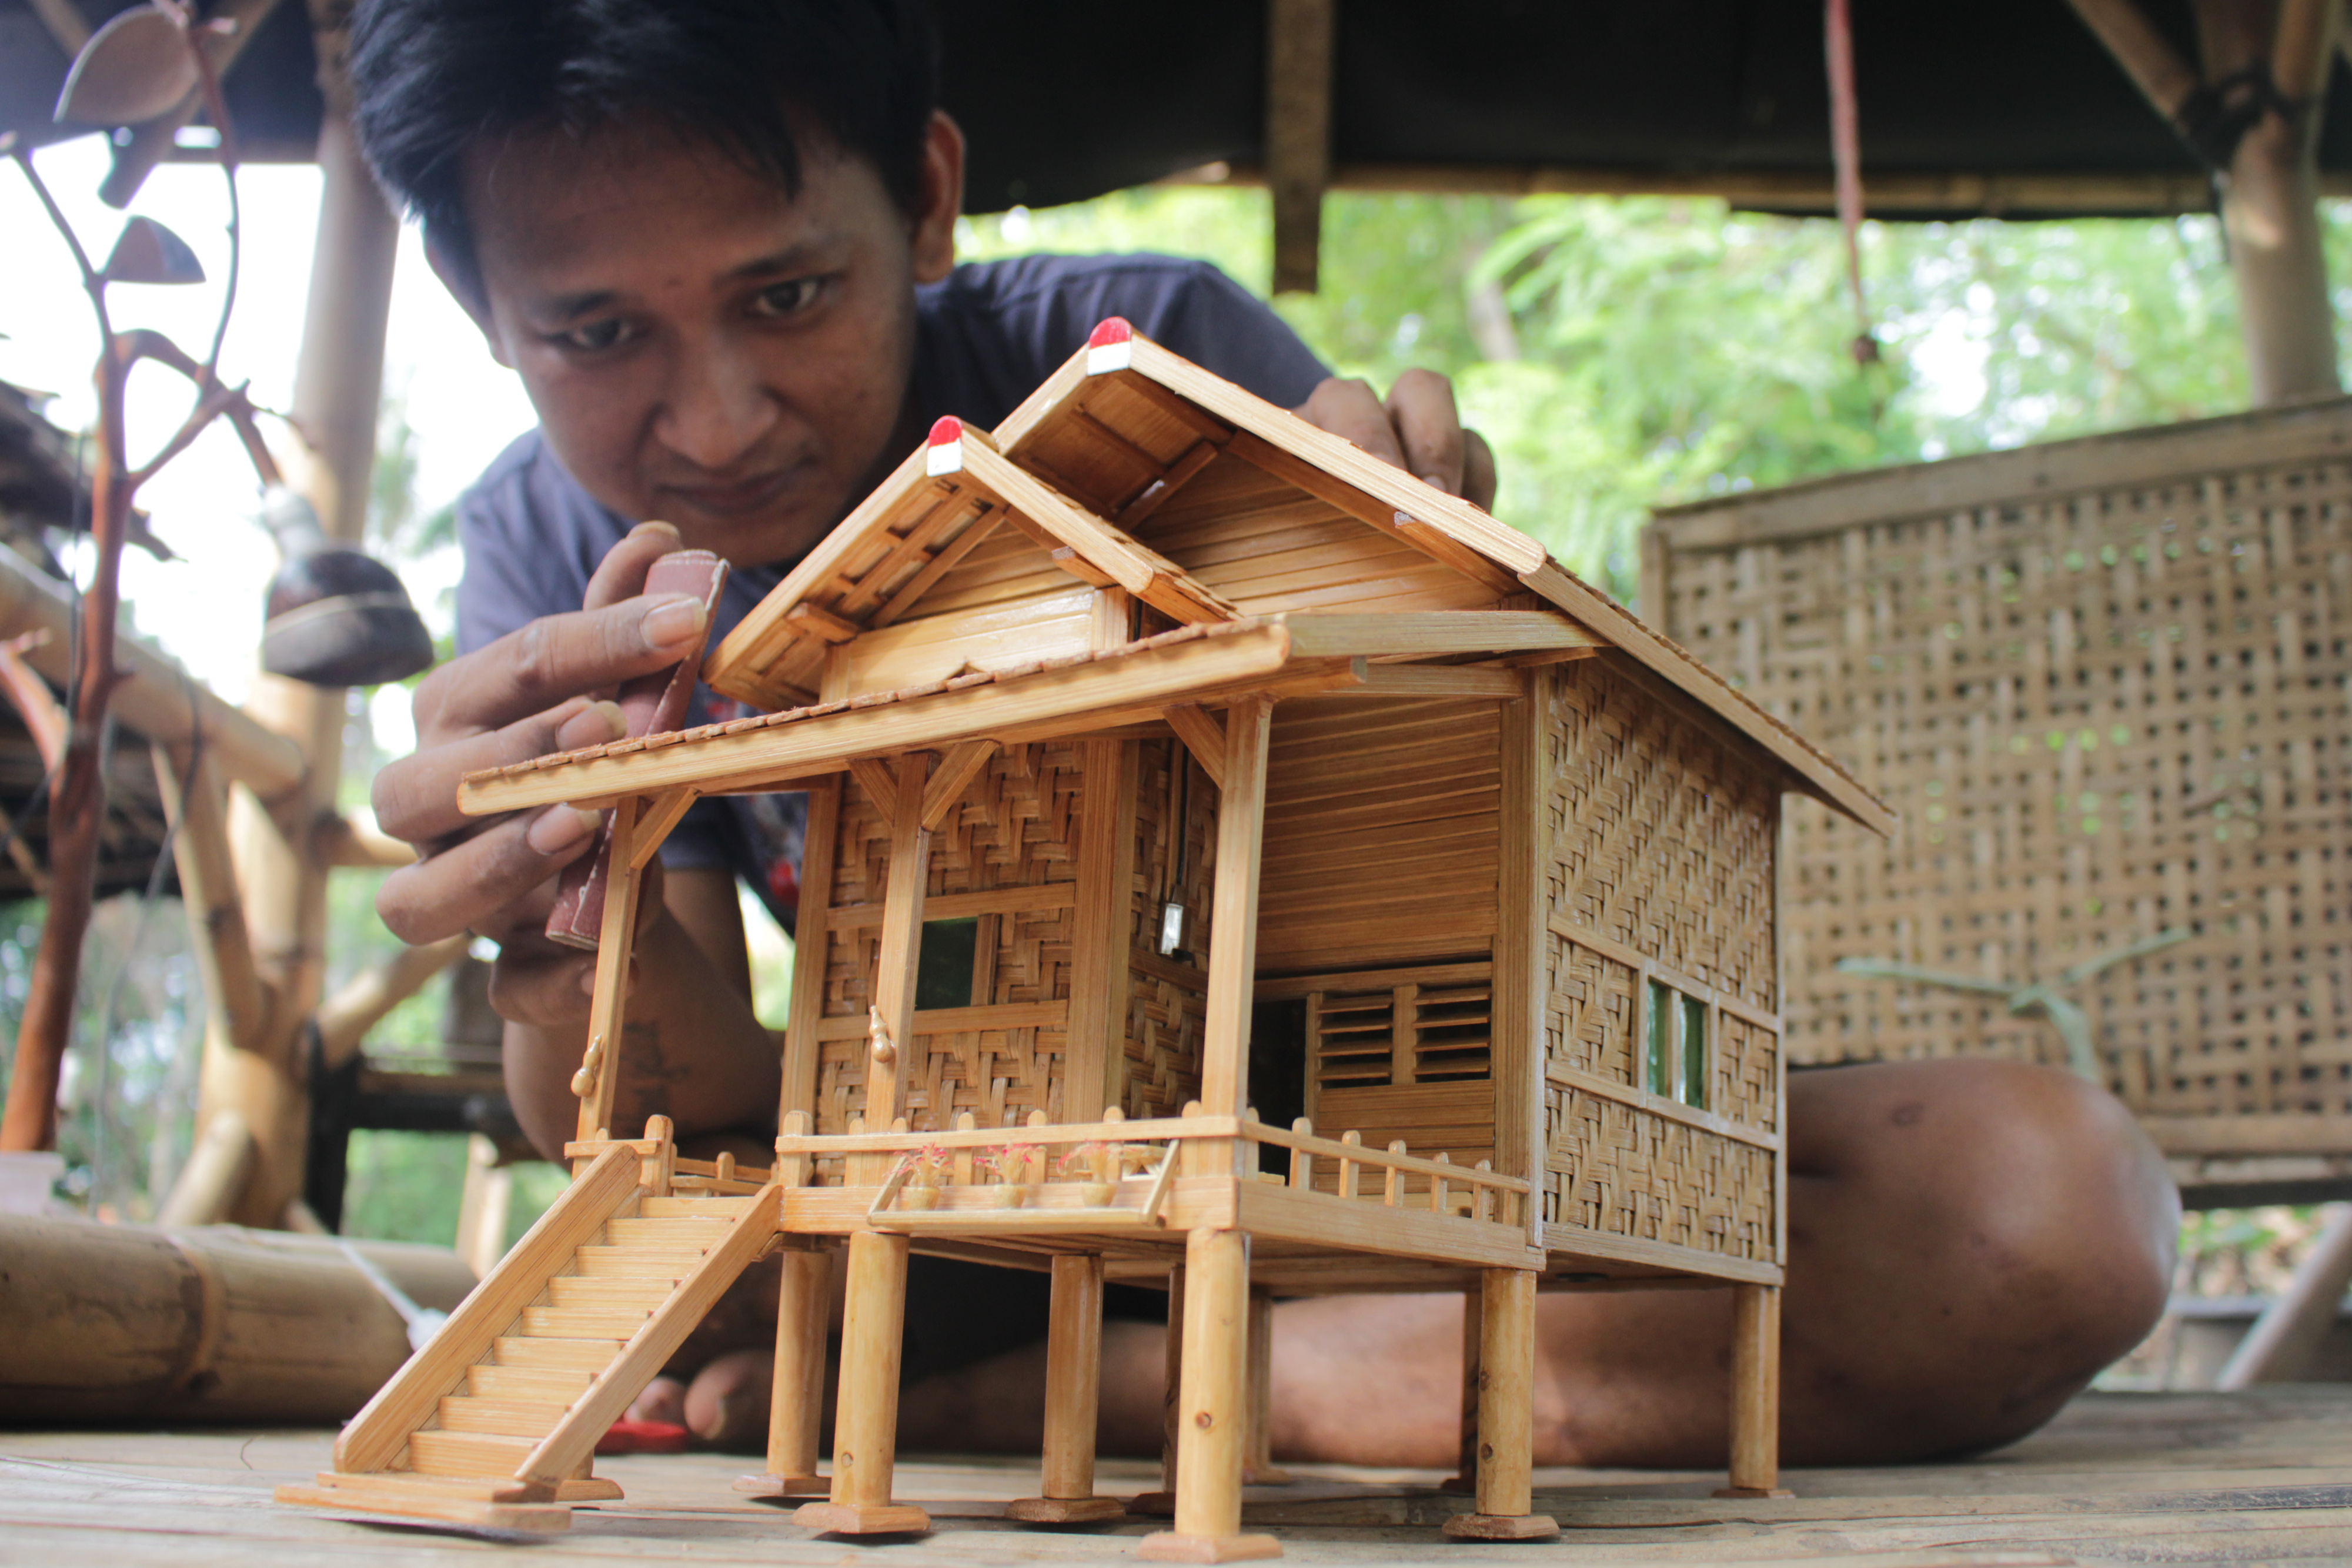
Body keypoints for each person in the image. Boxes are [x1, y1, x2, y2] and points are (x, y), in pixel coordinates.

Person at [352, 0, 2179, 1470]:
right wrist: (543, 914)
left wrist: (1424, 606)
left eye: (786, 294)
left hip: (1332, 1138)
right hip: (938, 1204)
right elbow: (682, 1116)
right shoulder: (553, 551)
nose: (720, 419)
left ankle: (1132, 1398)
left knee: (2036, 1207)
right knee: (682, 1287)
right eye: (595, 332)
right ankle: (1331, 1384)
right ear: (477, 309)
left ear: (923, 195)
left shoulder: (1142, 373)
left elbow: (1395, 863)